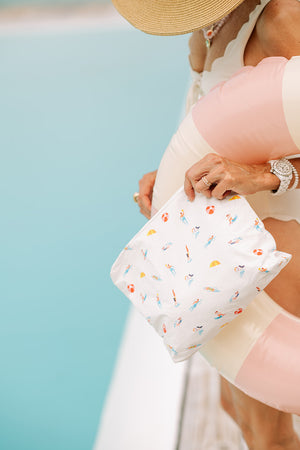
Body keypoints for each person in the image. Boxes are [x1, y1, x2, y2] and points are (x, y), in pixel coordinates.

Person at [112, 0, 300, 448]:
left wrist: (262, 175)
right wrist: (170, 184)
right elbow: (218, 126)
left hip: (279, 240)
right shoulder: (206, 28)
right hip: (230, 243)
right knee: (232, 407)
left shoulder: (282, 19)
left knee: (267, 435)